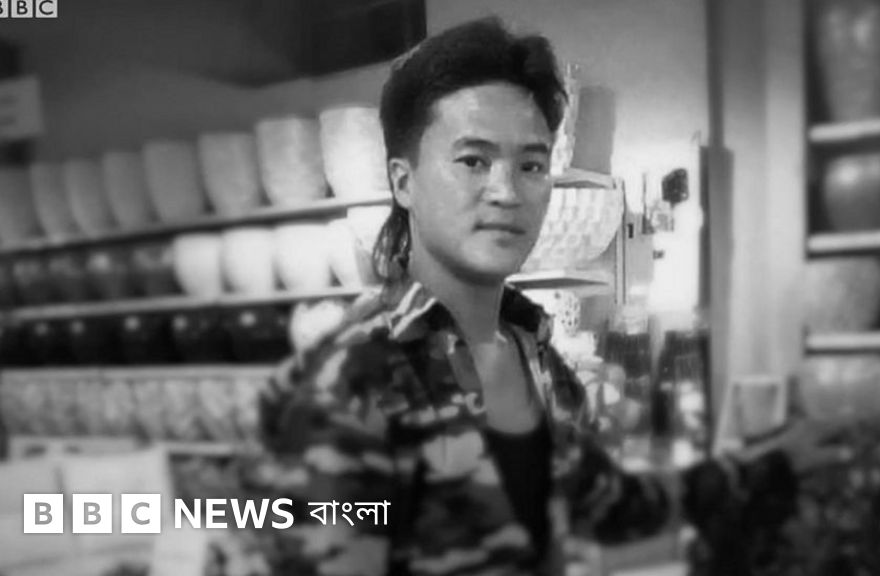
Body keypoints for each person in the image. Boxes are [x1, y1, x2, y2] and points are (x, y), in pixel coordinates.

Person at [255, 17, 845, 576]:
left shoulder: (535, 357)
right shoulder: (354, 377)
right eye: (473, 160)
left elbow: (612, 504)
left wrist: (769, 467)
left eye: (532, 165)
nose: (506, 191)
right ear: (403, 182)